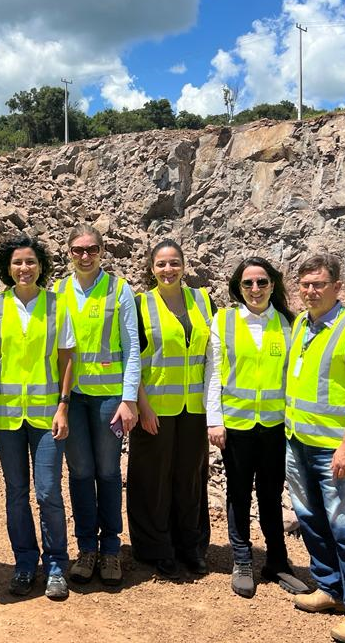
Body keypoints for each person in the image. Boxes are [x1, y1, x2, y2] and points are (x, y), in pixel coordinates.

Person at [286, 254, 345, 643]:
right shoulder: (299, 324)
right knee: (310, 518)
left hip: (333, 450)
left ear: (337, 287)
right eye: (305, 284)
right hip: (298, 441)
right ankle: (330, 589)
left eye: (319, 284)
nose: (311, 291)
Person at [205, 257, 309, 598]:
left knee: (269, 493)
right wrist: (214, 420)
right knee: (238, 493)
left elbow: (293, 379)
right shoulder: (225, 320)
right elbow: (214, 374)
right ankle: (242, 559)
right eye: (248, 283)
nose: (255, 289)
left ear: (273, 285)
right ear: (238, 287)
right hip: (236, 426)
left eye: (262, 282)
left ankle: (277, 561)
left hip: (274, 427)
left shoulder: (286, 324)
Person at [0, 235, 75, 600]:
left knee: (49, 491)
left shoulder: (57, 306)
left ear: (41, 267)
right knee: (17, 492)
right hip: (5, 415)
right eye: (18, 262)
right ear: (7, 267)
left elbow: (67, 359)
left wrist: (64, 405)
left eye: (31, 262)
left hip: (46, 415)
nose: (24, 268)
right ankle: (24, 564)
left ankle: (55, 565)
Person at [57, 224, 140, 587]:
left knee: (107, 472)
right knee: (79, 473)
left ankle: (110, 550)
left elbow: (132, 348)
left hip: (109, 398)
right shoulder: (58, 291)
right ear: (69, 253)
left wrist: (129, 399)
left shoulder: (119, 290)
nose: (85, 256)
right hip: (72, 398)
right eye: (78, 250)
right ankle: (86, 548)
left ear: (102, 251)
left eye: (91, 249)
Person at [128, 239, 213, 580]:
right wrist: (142, 407)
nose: (168, 270)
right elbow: (130, 360)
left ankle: (190, 546)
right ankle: (156, 548)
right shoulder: (140, 306)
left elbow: (214, 356)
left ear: (184, 265)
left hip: (195, 408)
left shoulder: (203, 300)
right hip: (155, 408)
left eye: (174, 262)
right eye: (161, 264)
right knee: (152, 479)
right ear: (151, 268)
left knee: (190, 478)